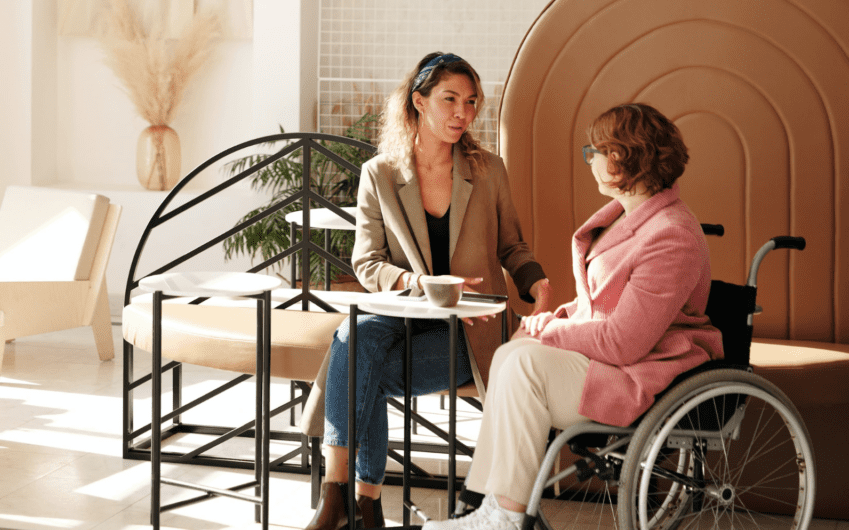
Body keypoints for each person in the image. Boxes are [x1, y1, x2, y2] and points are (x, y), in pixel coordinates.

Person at [422, 103, 724, 530]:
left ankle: (504, 515)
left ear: (628, 156)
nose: (591, 160)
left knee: (524, 364)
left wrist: (555, 329)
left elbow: (624, 342)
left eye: (598, 150)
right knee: (513, 353)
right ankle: (491, 507)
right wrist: (552, 322)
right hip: (615, 358)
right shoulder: (627, 216)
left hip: (646, 372)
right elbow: (600, 307)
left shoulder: (671, 235)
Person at [303, 52, 552, 530]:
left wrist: (533, 279)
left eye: (472, 102)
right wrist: (415, 282)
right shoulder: (379, 174)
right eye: (450, 99)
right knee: (356, 339)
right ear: (418, 101)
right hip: (401, 315)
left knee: (358, 365)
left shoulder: (487, 169)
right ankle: (343, 499)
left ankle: (358, 506)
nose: (463, 113)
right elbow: (367, 262)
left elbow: (512, 245)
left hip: (469, 329)